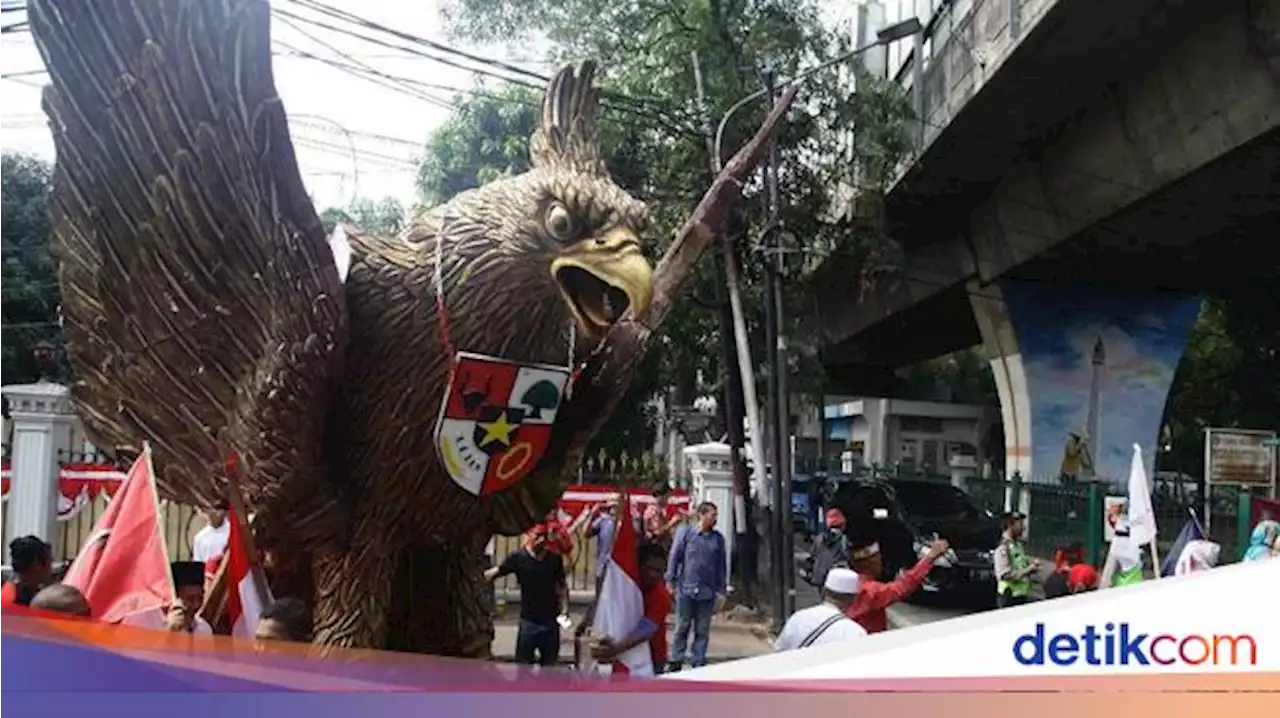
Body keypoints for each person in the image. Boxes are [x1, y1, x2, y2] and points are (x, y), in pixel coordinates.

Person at [485, 524, 568, 667]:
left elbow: (562, 586)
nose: (541, 540)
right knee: (523, 667)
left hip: (550, 622)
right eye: (537, 535)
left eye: (544, 536)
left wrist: (565, 610)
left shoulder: (554, 560)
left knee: (549, 668)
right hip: (528, 622)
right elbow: (494, 573)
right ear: (529, 536)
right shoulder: (518, 558)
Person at [587, 542, 672, 676]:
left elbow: (645, 630)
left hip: (651, 658)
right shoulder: (625, 585)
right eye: (649, 568)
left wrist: (615, 649)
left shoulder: (660, 596)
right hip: (622, 656)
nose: (654, 575)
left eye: (659, 570)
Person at [665, 501, 726, 673]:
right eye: (712, 515)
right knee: (682, 625)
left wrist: (722, 590)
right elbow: (674, 557)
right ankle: (676, 658)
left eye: (716, 515)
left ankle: (698, 660)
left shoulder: (717, 539)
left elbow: (721, 565)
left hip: (708, 590)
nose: (715, 519)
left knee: (702, 628)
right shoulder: (686, 533)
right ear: (702, 515)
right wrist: (671, 581)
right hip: (686, 588)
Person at [845, 533, 949, 633]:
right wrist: (930, 557)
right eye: (878, 557)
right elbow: (903, 587)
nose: (881, 560)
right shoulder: (869, 590)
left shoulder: (848, 584)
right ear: (870, 562)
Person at [774, 568, 867, 651]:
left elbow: (779, 650)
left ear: (824, 591)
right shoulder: (855, 632)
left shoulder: (798, 617)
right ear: (853, 599)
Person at [993, 512, 1040, 607]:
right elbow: (1004, 574)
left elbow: (1020, 563)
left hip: (1020, 596)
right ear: (1011, 525)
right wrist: (1028, 570)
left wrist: (1031, 565)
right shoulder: (1003, 546)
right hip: (1009, 597)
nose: (1023, 528)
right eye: (1020, 525)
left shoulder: (1017, 544)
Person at [0, 535, 53, 607]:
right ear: (37, 564)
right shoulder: (15, 601)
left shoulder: (8, 591)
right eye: (50, 561)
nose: (51, 568)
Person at [809, 508, 852, 589]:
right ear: (843, 524)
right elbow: (848, 556)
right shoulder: (844, 539)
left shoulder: (819, 538)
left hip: (820, 576)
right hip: (835, 577)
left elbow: (813, 554)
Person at [644, 485, 684, 554]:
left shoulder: (660, 509)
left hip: (663, 549)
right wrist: (672, 523)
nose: (668, 499)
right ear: (660, 496)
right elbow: (657, 532)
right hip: (656, 551)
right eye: (667, 496)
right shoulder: (653, 510)